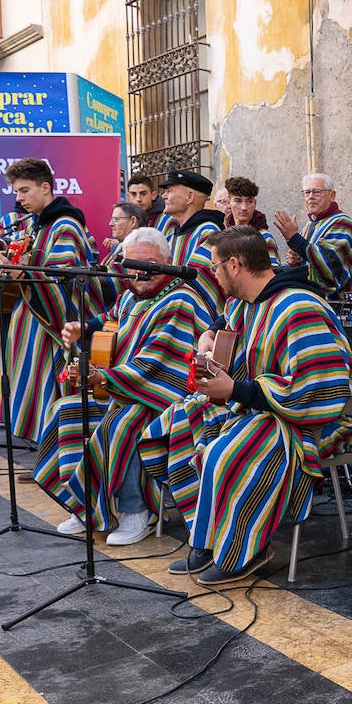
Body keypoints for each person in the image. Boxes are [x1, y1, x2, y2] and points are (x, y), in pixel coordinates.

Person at [139, 226, 352, 585]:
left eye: (215, 266)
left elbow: (318, 388)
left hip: (308, 420)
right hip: (260, 408)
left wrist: (236, 390)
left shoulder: (298, 307)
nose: (212, 273)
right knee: (181, 422)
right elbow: (224, 331)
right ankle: (207, 540)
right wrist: (209, 335)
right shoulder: (244, 303)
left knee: (228, 450)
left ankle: (243, 550)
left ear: (236, 264)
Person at [34, 227, 215, 544]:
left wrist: (104, 377)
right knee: (65, 411)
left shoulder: (180, 300)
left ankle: (137, 511)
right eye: (133, 263)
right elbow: (110, 319)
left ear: (167, 262)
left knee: (123, 423)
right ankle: (85, 506)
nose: (139, 271)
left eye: (148, 263)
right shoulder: (132, 295)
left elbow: (157, 361)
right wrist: (83, 329)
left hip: (166, 396)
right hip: (126, 389)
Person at [0, 157, 103, 443]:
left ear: (45, 187)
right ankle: (46, 456)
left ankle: (60, 458)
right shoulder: (38, 226)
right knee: (38, 394)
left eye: (24, 190)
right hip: (34, 328)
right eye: (16, 192)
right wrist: (2, 257)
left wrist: (21, 273)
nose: (18, 198)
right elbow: (26, 271)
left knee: (52, 393)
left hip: (52, 332)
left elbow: (63, 282)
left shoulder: (64, 226)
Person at [274, 173, 352, 293]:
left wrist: (295, 239)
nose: (311, 197)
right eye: (307, 192)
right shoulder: (308, 226)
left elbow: (329, 265)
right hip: (313, 300)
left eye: (317, 192)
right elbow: (308, 264)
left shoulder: (343, 223)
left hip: (339, 304)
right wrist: (295, 261)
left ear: (332, 195)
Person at [157, 169, 225, 311]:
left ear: (189, 197)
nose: (163, 196)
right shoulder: (172, 234)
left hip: (195, 316)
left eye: (169, 191)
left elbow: (198, 278)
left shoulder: (208, 231)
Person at [223, 175, 280, 265]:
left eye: (249, 201)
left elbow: (272, 274)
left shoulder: (264, 238)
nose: (244, 208)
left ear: (255, 203)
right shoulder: (222, 233)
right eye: (238, 201)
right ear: (228, 203)